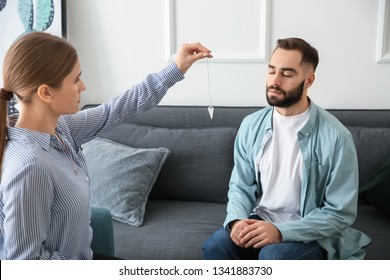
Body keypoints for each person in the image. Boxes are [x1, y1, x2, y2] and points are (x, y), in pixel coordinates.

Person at [0, 31, 212, 260]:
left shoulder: (62, 128)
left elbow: (117, 109)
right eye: (75, 79)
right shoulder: (30, 167)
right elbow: (25, 264)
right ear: (46, 92)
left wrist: (176, 67)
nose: (83, 86)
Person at [203, 37, 371, 260]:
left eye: (287, 74)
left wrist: (282, 232)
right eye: (272, 71)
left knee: (275, 256)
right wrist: (236, 221)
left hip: (311, 233)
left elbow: (339, 213)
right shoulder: (251, 125)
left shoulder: (337, 137)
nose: (275, 80)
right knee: (217, 245)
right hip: (262, 220)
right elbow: (241, 185)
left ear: (309, 80)